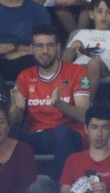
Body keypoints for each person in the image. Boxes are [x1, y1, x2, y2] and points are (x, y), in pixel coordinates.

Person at [9, 23, 89, 169]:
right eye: (39, 46)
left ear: (58, 47)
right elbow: (12, 123)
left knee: (61, 132)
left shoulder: (77, 72)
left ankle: (63, 187)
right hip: (37, 137)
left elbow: (85, 116)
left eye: (50, 45)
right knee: (9, 135)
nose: (45, 51)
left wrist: (60, 105)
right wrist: (18, 110)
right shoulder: (24, 76)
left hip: (70, 136)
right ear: (32, 48)